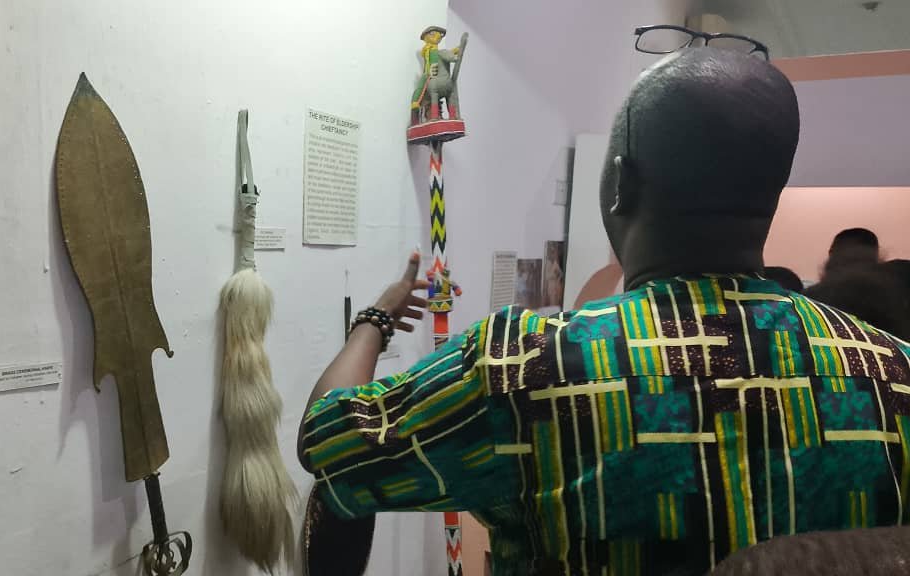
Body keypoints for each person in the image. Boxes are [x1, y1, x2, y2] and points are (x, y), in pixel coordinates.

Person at [299, 48, 910, 575]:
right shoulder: (894, 369)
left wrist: (375, 321)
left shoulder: (525, 364)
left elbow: (328, 440)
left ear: (620, 182)